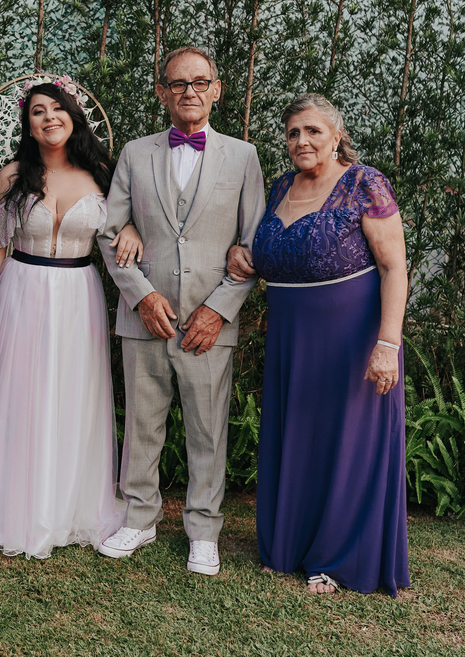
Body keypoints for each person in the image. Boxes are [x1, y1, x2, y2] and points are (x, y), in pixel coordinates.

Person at [0, 78, 135, 559]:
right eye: (38, 111)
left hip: (79, 294)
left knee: (72, 394)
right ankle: (1, 504)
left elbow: (127, 221)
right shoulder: (12, 175)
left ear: (73, 115)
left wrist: (134, 231)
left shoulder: (103, 173)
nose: (49, 118)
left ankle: (63, 504)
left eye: (56, 108)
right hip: (19, 290)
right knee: (15, 392)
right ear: (28, 124)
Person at [226, 93, 410, 596]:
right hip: (292, 337)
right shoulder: (281, 186)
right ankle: (289, 545)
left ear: (336, 135)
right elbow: (273, 253)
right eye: (293, 133)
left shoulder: (364, 183)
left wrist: (387, 344)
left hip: (351, 337)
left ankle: (336, 557)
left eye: (312, 131)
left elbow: (394, 267)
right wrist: (243, 254)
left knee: (345, 441)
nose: (302, 141)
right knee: (297, 437)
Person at [97, 46, 265, 575]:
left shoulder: (244, 156)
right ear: (161, 92)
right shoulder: (134, 153)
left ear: (216, 89)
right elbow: (110, 231)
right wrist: (142, 296)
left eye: (199, 82)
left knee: (208, 431)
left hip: (208, 324)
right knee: (141, 426)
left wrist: (219, 309)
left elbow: (253, 244)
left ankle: (204, 530)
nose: (189, 92)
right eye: (177, 83)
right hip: (144, 316)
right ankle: (139, 518)